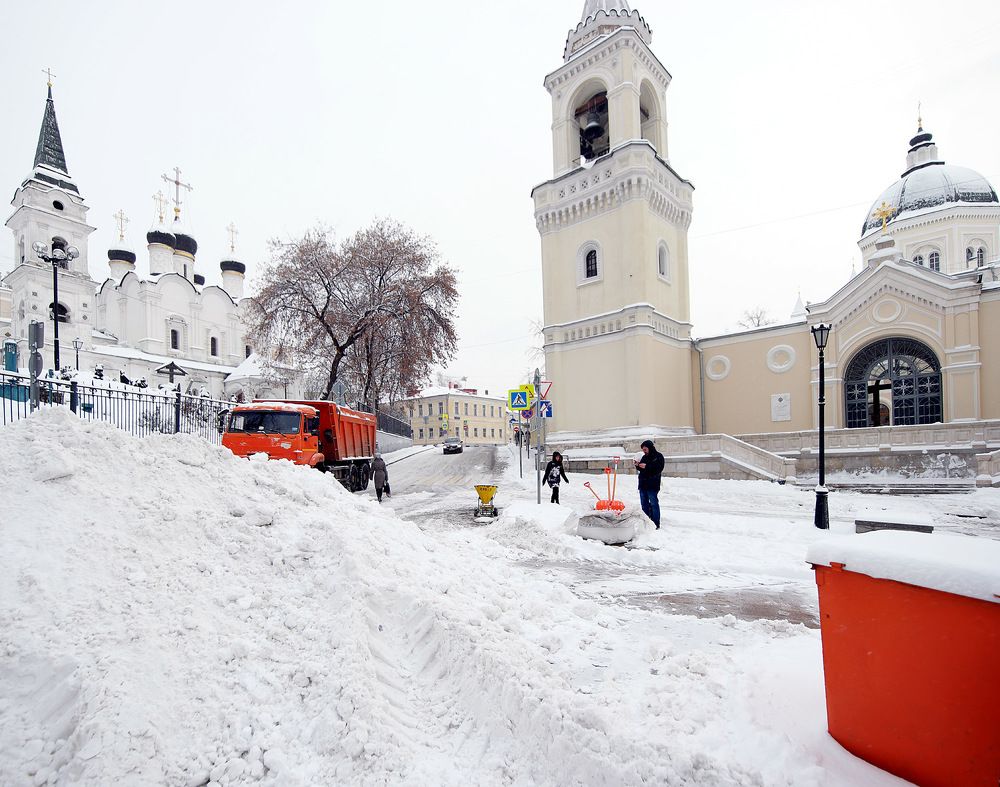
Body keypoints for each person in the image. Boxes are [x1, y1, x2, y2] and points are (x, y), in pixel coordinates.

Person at [635, 439, 665, 529]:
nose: (644, 451)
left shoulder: (658, 456)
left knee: (653, 504)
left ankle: (656, 523)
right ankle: (647, 522)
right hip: (643, 484)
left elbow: (659, 468)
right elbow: (643, 470)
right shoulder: (644, 457)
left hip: (652, 484)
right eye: (643, 450)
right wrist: (638, 465)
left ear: (650, 448)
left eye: (645, 449)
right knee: (644, 504)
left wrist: (647, 466)